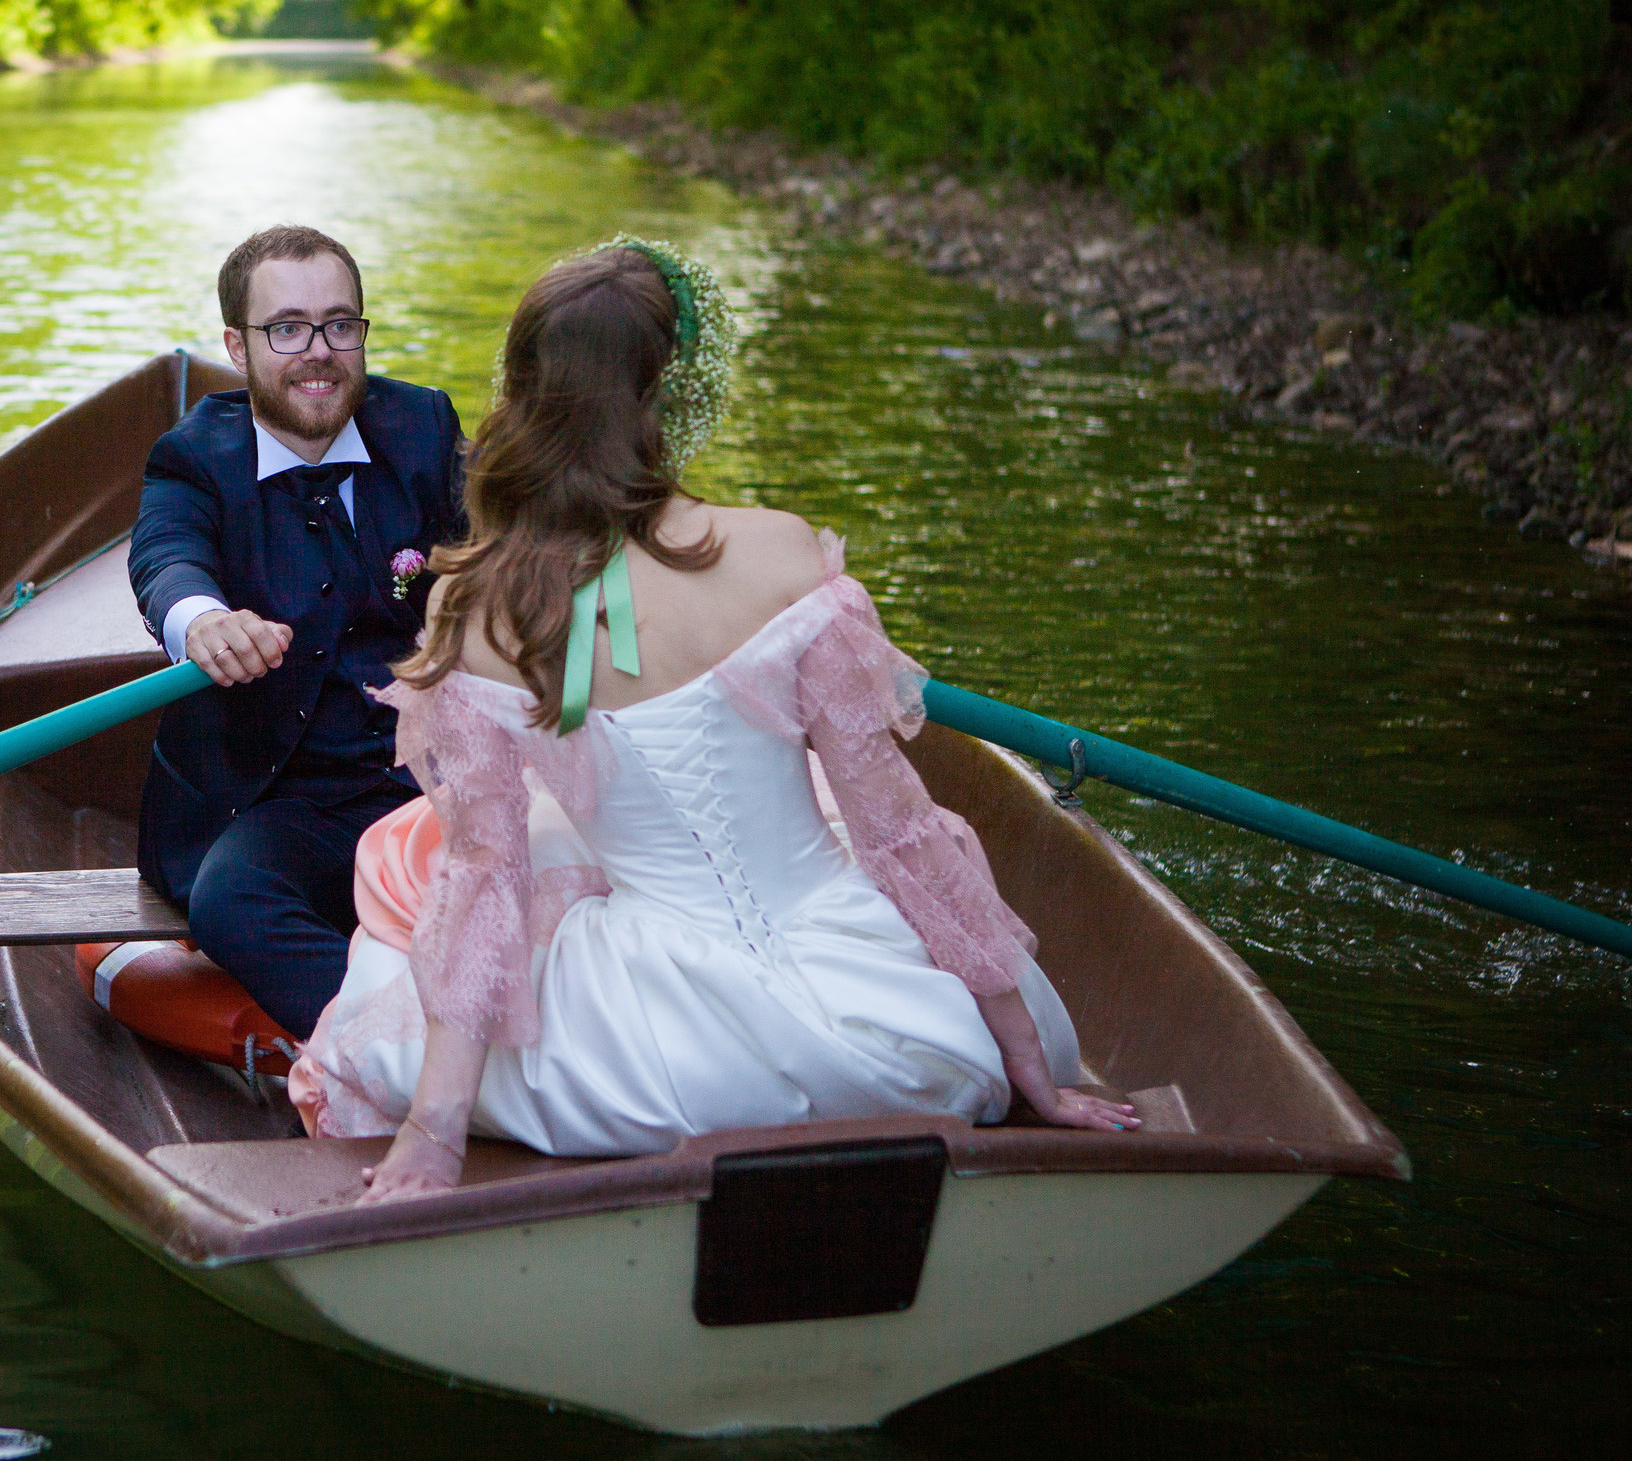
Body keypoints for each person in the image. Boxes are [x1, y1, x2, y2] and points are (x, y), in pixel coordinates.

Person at [286, 239, 1138, 1201]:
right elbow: (896, 831)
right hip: (901, 1038)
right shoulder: (780, 553)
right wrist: (1022, 1054)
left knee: (417, 929)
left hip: (660, 1064)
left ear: (522, 393)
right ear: (663, 393)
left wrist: (432, 1137)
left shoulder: (476, 608)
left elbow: (484, 886)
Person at [127, 225, 468, 1039]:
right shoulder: (192, 457)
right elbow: (166, 559)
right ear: (238, 348)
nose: (318, 350)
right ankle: (400, 1050)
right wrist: (201, 620)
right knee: (230, 901)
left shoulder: (421, 425)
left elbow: (509, 546)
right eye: (287, 328)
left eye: (340, 324)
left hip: (424, 781)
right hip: (275, 804)